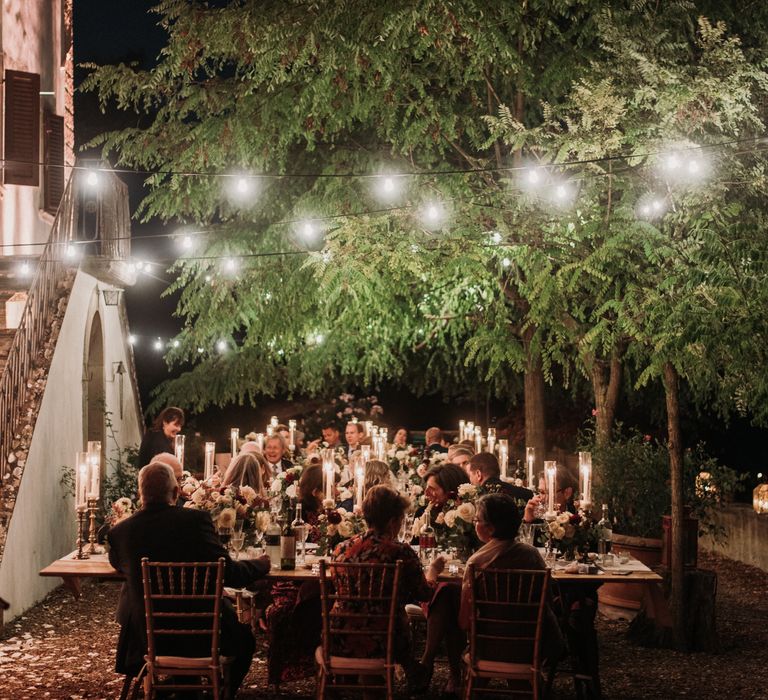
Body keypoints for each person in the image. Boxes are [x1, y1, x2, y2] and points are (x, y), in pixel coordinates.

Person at [108, 462, 270, 698]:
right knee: (245, 641)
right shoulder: (196, 522)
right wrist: (262, 564)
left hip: (150, 638)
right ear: (175, 493)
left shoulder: (121, 532)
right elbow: (231, 574)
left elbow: (116, 563)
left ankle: (179, 687)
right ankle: (219, 693)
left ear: (140, 493)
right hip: (204, 635)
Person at [332, 486, 443, 685]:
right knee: (394, 618)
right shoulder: (400, 552)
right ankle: (411, 669)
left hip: (340, 634)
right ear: (393, 521)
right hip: (386, 637)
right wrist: (433, 571)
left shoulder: (342, 548)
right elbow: (424, 594)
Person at [459, 494, 563, 664]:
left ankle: (476, 685)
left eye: (477, 520)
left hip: (488, 647)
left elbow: (464, 622)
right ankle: (525, 685)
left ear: (491, 528)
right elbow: (548, 604)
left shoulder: (477, 563)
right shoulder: (532, 556)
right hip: (531, 648)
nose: (474, 524)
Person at [467, 453, 533, 509]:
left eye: (470, 475)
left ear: (478, 474)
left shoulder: (475, 499)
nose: (470, 480)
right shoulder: (526, 494)